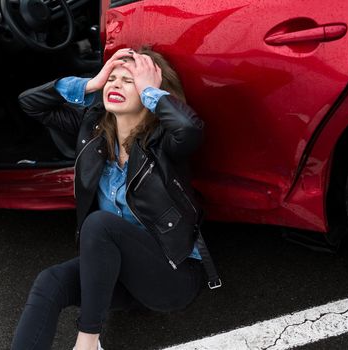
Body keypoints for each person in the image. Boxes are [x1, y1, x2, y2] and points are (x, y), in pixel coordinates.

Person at [12, 47, 213, 350]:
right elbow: (30, 104)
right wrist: (91, 84)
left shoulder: (164, 143)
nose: (115, 84)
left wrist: (149, 91)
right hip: (118, 274)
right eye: (112, 78)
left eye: (128, 80)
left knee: (99, 224)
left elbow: (189, 129)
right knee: (49, 283)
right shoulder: (93, 134)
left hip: (173, 276)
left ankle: (88, 342)